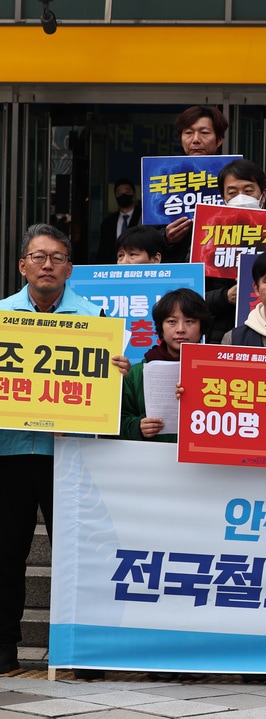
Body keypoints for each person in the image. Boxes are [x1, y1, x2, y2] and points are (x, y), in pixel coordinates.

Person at [0, 225, 120, 673]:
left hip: (69, 455)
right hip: (9, 452)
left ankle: (80, 651)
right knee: (6, 555)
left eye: (57, 257)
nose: (47, 265)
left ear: (70, 267)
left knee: (77, 555)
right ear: (22, 265)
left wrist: (118, 373)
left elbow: (111, 391)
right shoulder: (2, 317)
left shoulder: (96, 318)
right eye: (38, 256)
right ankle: (4, 650)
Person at [118, 288, 211, 441]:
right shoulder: (137, 374)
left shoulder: (216, 371)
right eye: (172, 322)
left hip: (201, 460)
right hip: (150, 460)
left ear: (202, 326)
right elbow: (115, 423)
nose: (180, 329)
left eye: (189, 321)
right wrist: (138, 427)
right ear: (161, 327)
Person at [204, 159, 266, 345]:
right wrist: (225, 296)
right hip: (219, 336)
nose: (241, 198)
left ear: (263, 195)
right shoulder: (206, 239)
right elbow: (192, 295)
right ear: (223, 198)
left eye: (248, 191)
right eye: (233, 193)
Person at [162, 106, 231, 256]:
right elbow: (147, 235)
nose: (195, 140)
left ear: (219, 140)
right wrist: (166, 238)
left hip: (220, 267)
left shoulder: (233, 177)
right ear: (181, 139)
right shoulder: (164, 178)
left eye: (204, 133)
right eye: (188, 133)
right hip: (179, 269)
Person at [95, 178, 141, 263]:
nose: (123, 195)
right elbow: (103, 250)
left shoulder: (142, 217)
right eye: (119, 193)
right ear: (115, 197)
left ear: (134, 195)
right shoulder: (108, 223)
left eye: (127, 192)